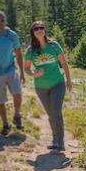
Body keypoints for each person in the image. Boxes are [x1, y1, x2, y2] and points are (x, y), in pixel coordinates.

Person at [24, 21, 72, 151]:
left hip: (57, 83)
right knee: (51, 114)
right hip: (41, 87)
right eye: (36, 29)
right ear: (33, 32)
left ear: (45, 30)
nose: (39, 30)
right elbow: (26, 68)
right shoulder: (31, 50)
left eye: (41, 28)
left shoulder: (54, 46)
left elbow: (64, 63)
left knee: (56, 111)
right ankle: (55, 140)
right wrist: (34, 74)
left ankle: (60, 142)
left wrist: (69, 79)